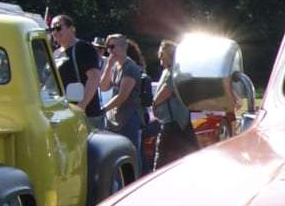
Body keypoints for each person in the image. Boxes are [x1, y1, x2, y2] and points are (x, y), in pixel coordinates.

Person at [99, 33, 147, 177]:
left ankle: (135, 182)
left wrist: (102, 109)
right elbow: (103, 86)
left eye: (112, 47)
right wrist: (108, 66)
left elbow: (122, 96)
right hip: (116, 117)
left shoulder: (130, 68)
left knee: (131, 152)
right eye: (108, 47)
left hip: (129, 117)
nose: (110, 51)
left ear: (123, 46)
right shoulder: (115, 67)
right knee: (118, 154)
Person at [48, 15, 104, 127]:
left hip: (85, 115)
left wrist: (81, 106)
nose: (55, 32)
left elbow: (94, 77)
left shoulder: (83, 48)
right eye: (51, 29)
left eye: (58, 28)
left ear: (71, 28)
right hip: (62, 114)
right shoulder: (56, 53)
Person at [150, 39, 198, 170]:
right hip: (171, 121)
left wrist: (153, 105)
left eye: (162, 55)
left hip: (174, 121)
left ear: (170, 55)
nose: (160, 58)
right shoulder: (167, 71)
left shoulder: (175, 72)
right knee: (184, 151)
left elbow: (166, 91)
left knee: (163, 154)